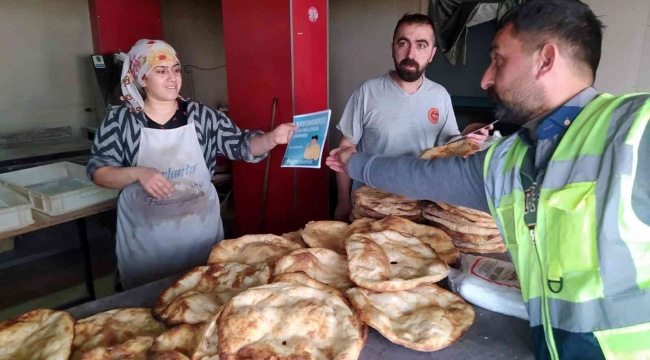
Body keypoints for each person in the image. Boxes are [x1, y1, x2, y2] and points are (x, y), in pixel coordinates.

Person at [326, 1, 650, 359]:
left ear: (545, 60)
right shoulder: (510, 157)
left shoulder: (637, 130)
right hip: (549, 346)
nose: (485, 79)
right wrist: (355, 163)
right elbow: (424, 175)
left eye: (498, 60)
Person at [87, 39, 297, 290]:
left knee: (203, 297)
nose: (172, 78)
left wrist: (272, 138)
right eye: (161, 71)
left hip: (199, 233)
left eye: (176, 69)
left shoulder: (202, 116)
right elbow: (100, 173)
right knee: (147, 305)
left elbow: (242, 145)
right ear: (142, 78)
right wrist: (138, 173)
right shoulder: (120, 121)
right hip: (146, 241)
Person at [333, 13, 492, 221]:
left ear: (432, 54)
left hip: (419, 210)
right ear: (393, 48)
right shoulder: (367, 92)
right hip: (369, 209)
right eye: (403, 43)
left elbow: (448, 146)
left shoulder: (440, 95)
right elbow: (345, 150)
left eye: (421, 45)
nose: (411, 53)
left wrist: (467, 136)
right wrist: (343, 201)